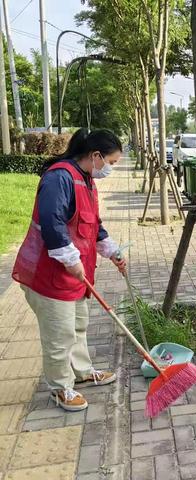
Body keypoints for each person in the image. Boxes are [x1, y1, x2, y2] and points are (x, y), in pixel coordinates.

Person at [12, 128, 126, 412]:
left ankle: (82, 372)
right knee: (59, 334)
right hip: (49, 274)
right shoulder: (59, 178)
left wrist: (113, 252)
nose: (109, 169)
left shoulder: (86, 180)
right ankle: (60, 387)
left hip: (74, 273)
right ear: (96, 156)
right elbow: (52, 225)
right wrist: (70, 259)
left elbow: (93, 224)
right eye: (110, 163)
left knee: (78, 325)